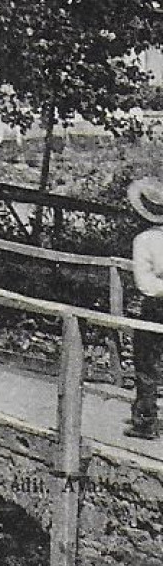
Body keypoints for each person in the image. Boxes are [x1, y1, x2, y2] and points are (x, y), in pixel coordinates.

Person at [126, 177, 163, 440]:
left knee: (146, 362)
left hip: (156, 305)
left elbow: (145, 284)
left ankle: (146, 421)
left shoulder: (144, 240)